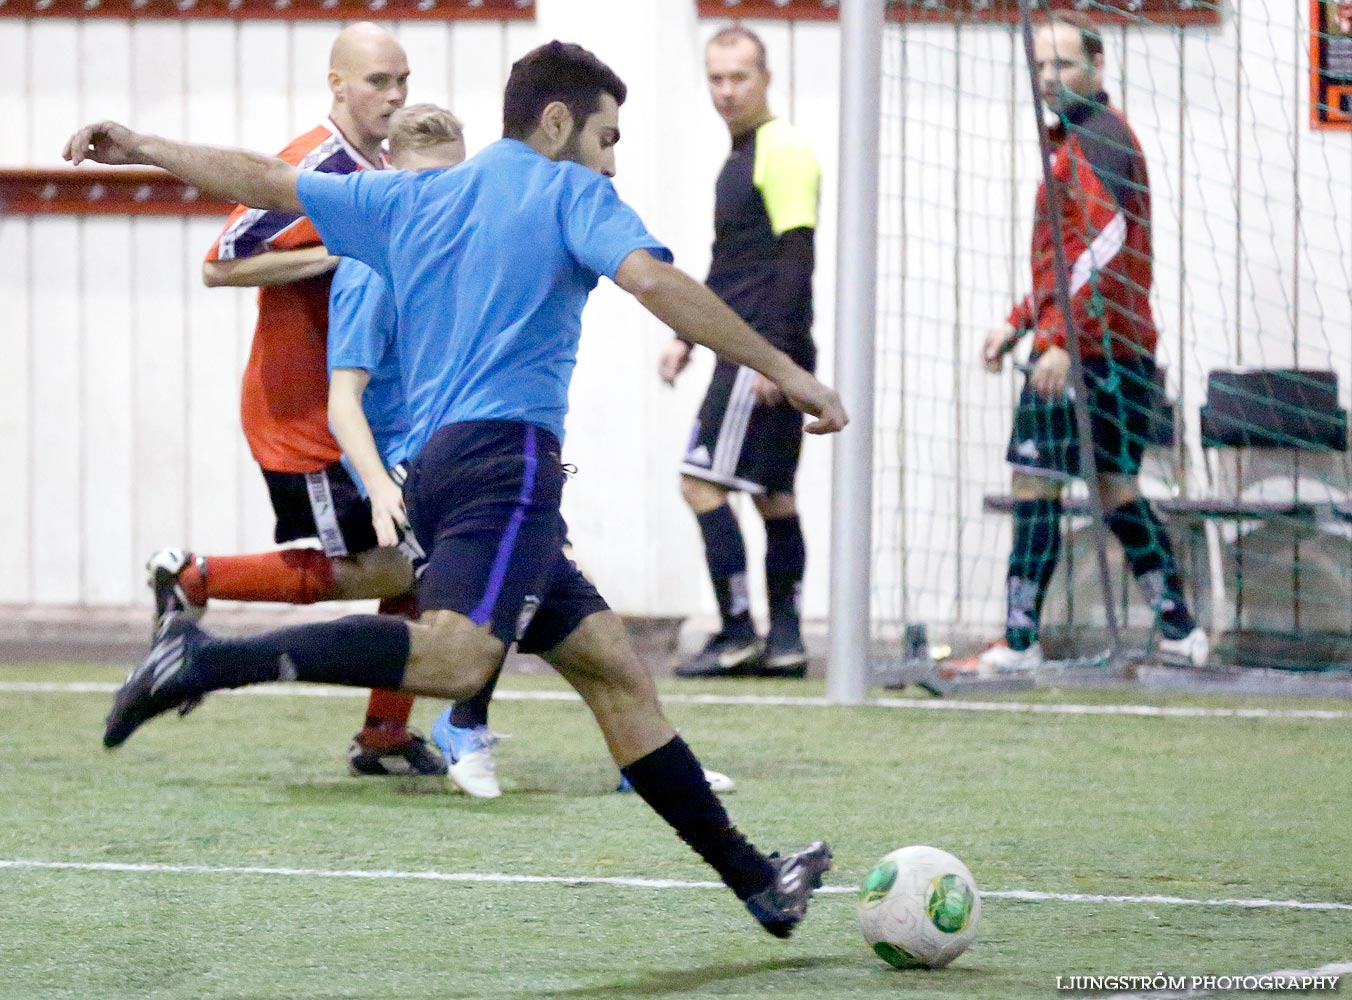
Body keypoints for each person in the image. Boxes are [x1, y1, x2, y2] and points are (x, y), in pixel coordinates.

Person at [69, 40, 845, 937]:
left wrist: (144, 143)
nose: (612, 158)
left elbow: (265, 181)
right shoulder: (568, 191)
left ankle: (760, 884)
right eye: (606, 136)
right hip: (505, 463)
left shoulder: (416, 195)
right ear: (556, 124)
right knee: (455, 659)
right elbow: (658, 283)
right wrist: (787, 371)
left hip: (436, 473)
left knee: (615, 673)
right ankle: (202, 660)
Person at [147, 23, 444, 778]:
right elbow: (221, 264)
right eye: (380, 80)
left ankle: (384, 735)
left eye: (403, 79)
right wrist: (344, 250)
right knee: (376, 570)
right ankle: (195, 579)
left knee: (415, 563)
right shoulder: (310, 164)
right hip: (303, 414)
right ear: (338, 84)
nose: (396, 95)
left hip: (360, 415)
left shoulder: (379, 167)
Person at [969, 12, 1208, 672]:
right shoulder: (1076, 140)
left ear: (1097, 67)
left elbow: (1104, 248)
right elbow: (1072, 258)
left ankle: (1019, 643)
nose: (1048, 78)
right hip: (1110, 349)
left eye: (1062, 65)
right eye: (1040, 66)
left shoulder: (1098, 140)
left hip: (1092, 352)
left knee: (1035, 482)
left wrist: (1056, 341)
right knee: (1115, 487)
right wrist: (1020, 321)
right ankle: (1181, 630)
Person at [323, 102, 514, 796]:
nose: (438, 197)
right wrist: (380, 486)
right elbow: (343, 399)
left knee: (539, 583)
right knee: (500, 588)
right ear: (390, 177)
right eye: (423, 181)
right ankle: (460, 725)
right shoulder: (373, 269)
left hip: (457, 448)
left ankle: (636, 758)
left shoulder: (461, 251)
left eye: (452, 182)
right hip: (406, 462)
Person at [659, 26, 821, 679]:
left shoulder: (782, 151)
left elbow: (795, 260)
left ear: (767, 78)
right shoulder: (742, 155)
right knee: (772, 496)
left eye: (739, 77)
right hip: (765, 346)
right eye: (716, 78)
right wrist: (684, 336)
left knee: (699, 484)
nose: (726, 91)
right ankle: (785, 643)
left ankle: (737, 635)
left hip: (759, 350)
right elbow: (732, 264)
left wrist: (771, 358)